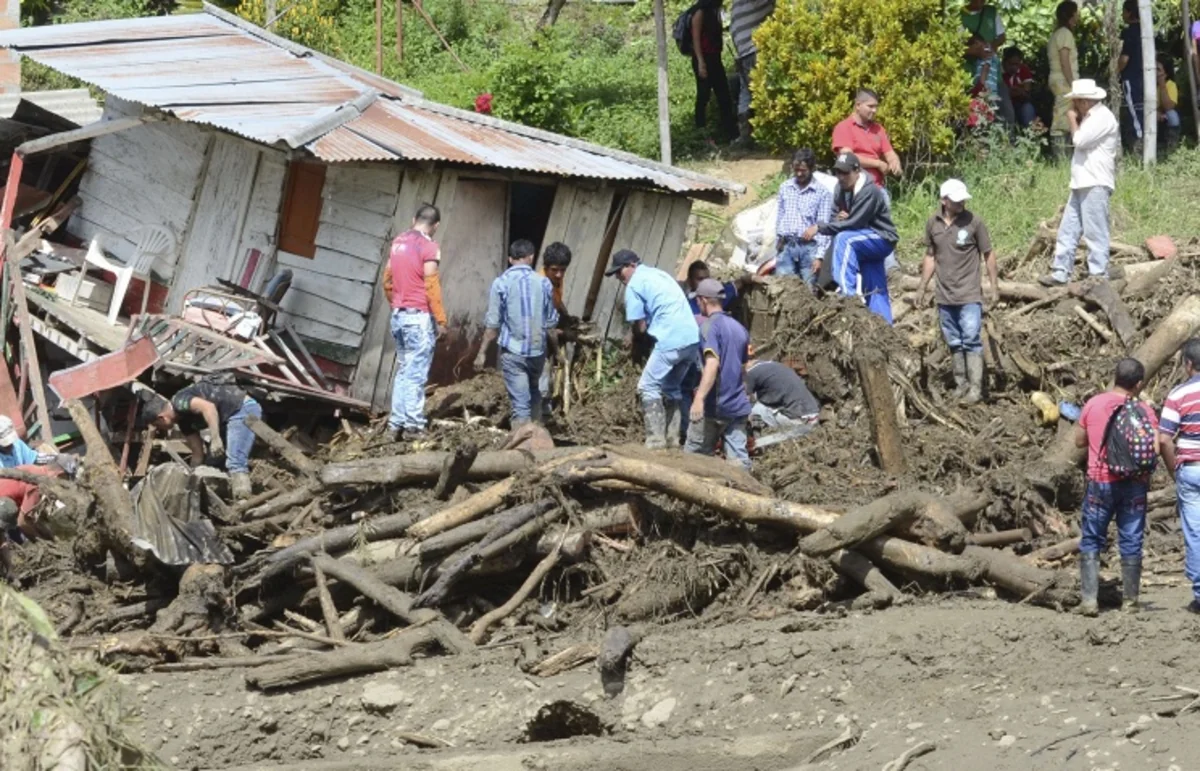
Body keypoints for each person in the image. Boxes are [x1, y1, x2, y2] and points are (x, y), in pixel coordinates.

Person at [1074, 357, 1158, 615]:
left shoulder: (1094, 403)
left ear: (1115, 377)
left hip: (1101, 482)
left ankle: (1089, 601)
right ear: (1139, 384)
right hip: (1134, 484)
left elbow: (1079, 441)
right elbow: (1154, 447)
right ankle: (1130, 602)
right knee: (1131, 539)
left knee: (1091, 538)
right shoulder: (1144, 410)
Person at [915, 179, 999, 405]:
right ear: (944, 200)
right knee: (954, 341)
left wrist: (994, 286)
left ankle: (975, 389)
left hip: (969, 294)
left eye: (963, 198)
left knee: (971, 339)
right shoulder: (933, 223)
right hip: (944, 295)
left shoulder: (974, 222)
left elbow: (988, 254)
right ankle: (961, 384)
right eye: (956, 199)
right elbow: (931, 256)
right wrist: (922, 287)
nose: (961, 202)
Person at [607, 249, 700, 450]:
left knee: (647, 386)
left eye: (619, 272)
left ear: (631, 265)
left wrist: (635, 344)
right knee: (671, 388)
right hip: (691, 339)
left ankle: (656, 441)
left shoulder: (634, 285)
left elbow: (640, 327)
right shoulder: (659, 274)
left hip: (670, 339)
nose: (618, 277)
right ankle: (673, 439)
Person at [1039, 79, 1119, 287]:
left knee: (1095, 229)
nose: (1073, 107)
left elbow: (1080, 141)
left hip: (1095, 181)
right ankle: (1060, 272)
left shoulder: (1101, 117)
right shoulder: (1093, 117)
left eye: (1075, 102)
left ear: (1083, 101)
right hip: (1082, 181)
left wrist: (1072, 120)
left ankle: (1098, 273)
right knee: (1068, 229)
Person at [805, 152, 899, 324]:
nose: (841, 177)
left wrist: (821, 227)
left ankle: (847, 299)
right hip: (862, 241)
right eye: (838, 172)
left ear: (857, 171)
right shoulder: (839, 188)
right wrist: (839, 221)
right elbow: (834, 217)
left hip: (881, 238)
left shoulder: (869, 191)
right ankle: (885, 328)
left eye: (845, 172)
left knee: (844, 239)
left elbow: (854, 223)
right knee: (876, 288)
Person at [475, 240, 559, 427]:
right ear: (531, 258)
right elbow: (551, 321)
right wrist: (558, 351)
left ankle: (522, 445)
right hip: (537, 351)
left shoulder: (501, 283)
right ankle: (537, 436)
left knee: (520, 404)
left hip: (514, 352)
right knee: (534, 391)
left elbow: (493, 324)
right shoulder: (544, 283)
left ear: (510, 259)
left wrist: (481, 353)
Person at [382, 204, 447, 441]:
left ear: (413, 219)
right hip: (417, 317)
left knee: (404, 370)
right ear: (436, 226)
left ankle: (395, 424)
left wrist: (396, 303)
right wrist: (440, 320)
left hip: (398, 315)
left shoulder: (398, 242)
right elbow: (431, 285)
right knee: (416, 373)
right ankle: (414, 427)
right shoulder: (428, 246)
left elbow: (387, 280)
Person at [147, 378, 263, 500]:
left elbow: (209, 407)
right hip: (226, 422)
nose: (160, 429)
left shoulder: (179, 401)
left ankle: (243, 501)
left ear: (161, 418)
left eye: (158, 425)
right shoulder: (183, 423)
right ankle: (222, 498)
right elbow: (197, 454)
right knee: (212, 464)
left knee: (235, 461)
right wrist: (192, 476)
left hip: (241, 410)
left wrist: (215, 438)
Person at [831, 90, 901, 273]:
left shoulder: (878, 129)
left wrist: (894, 162)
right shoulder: (844, 128)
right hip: (854, 191)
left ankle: (889, 269)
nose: (875, 110)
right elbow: (846, 156)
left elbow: (889, 152)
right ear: (857, 105)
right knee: (855, 229)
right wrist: (878, 163)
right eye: (871, 106)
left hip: (878, 189)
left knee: (882, 229)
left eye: (876, 106)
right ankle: (860, 270)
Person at [685, 279, 752, 470]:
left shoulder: (709, 327)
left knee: (695, 455)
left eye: (697, 300)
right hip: (737, 405)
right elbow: (743, 368)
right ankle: (745, 495)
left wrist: (699, 399)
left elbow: (712, 364)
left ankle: (691, 497)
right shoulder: (740, 328)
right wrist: (745, 396)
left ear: (703, 300)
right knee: (738, 461)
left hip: (714, 405)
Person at [1158, 339, 1200, 613]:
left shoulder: (1178, 395)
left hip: (1192, 470)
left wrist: (1175, 471)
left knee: (1196, 533)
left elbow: (1164, 440)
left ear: (1187, 364)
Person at [775, 148, 833, 285]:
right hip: (786, 245)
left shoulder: (822, 193)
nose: (799, 174)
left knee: (807, 292)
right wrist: (778, 241)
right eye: (796, 170)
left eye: (803, 170)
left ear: (812, 168)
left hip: (809, 248)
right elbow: (780, 216)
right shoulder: (785, 187)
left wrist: (819, 257)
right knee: (783, 287)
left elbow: (823, 227)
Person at [744, 356, 820, 448]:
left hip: (800, 421)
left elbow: (743, 403)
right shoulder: (774, 366)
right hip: (813, 415)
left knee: (753, 410)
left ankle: (755, 440)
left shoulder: (750, 374)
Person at [729, 0, 775, 145]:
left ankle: (745, 136)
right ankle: (768, 134)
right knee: (766, 91)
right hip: (755, 50)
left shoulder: (736, 4)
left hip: (743, 53)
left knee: (746, 93)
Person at [690, 0, 736, 142]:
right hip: (703, 59)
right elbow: (696, 39)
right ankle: (701, 133)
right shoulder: (700, 12)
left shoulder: (714, 12)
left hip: (715, 58)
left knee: (724, 95)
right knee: (704, 96)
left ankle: (730, 133)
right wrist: (701, 63)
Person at [962, 0, 1015, 124]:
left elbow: (1001, 37)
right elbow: (956, 48)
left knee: (1007, 113)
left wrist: (990, 46)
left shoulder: (991, 11)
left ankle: (1006, 140)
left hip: (995, 78)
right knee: (976, 115)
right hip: (970, 76)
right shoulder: (960, 16)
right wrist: (975, 52)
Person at [537, 241, 573, 408]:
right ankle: (539, 416)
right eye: (555, 270)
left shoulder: (556, 280)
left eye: (563, 270)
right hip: (537, 339)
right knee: (541, 381)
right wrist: (558, 353)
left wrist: (567, 316)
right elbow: (546, 326)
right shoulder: (540, 283)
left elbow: (557, 301)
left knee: (547, 378)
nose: (559, 274)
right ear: (545, 267)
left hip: (548, 333)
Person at [1047, 2, 1080, 158]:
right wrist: (1073, 83)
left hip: (1058, 79)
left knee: (1065, 116)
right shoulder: (1065, 34)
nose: (1078, 16)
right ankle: (1061, 158)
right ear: (1071, 15)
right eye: (1076, 13)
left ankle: (1065, 156)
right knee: (1061, 119)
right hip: (1063, 80)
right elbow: (1064, 60)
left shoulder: (1058, 33)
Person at [1117, 0, 1145, 152]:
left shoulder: (1129, 32)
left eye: (1123, 11)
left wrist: (1115, 71)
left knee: (1134, 110)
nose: (1122, 14)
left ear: (1129, 12)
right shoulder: (1146, 30)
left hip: (1131, 77)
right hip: (1144, 78)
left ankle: (1139, 144)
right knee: (1142, 109)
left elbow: (1124, 59)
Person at [1003, 47, 1037, 128]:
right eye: (1011, 64)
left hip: (1020, 104)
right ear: (1004, 62)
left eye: (1016, 64)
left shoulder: (1024, 70)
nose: (1014, 67)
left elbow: (1027, 93)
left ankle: (1029, 134)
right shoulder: (999, 73)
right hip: (1004, 105)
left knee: (1028, 108)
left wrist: (1021, 92)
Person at [1157, 57, 1182, 151]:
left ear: (1165, 73)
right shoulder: (1148, 84)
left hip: (1164, 116)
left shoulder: (1171, 85)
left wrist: (1162, 86)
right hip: (1152, 114)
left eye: (1158, 70)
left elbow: (1169, 107)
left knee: (1172, 115)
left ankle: (1172, 143)